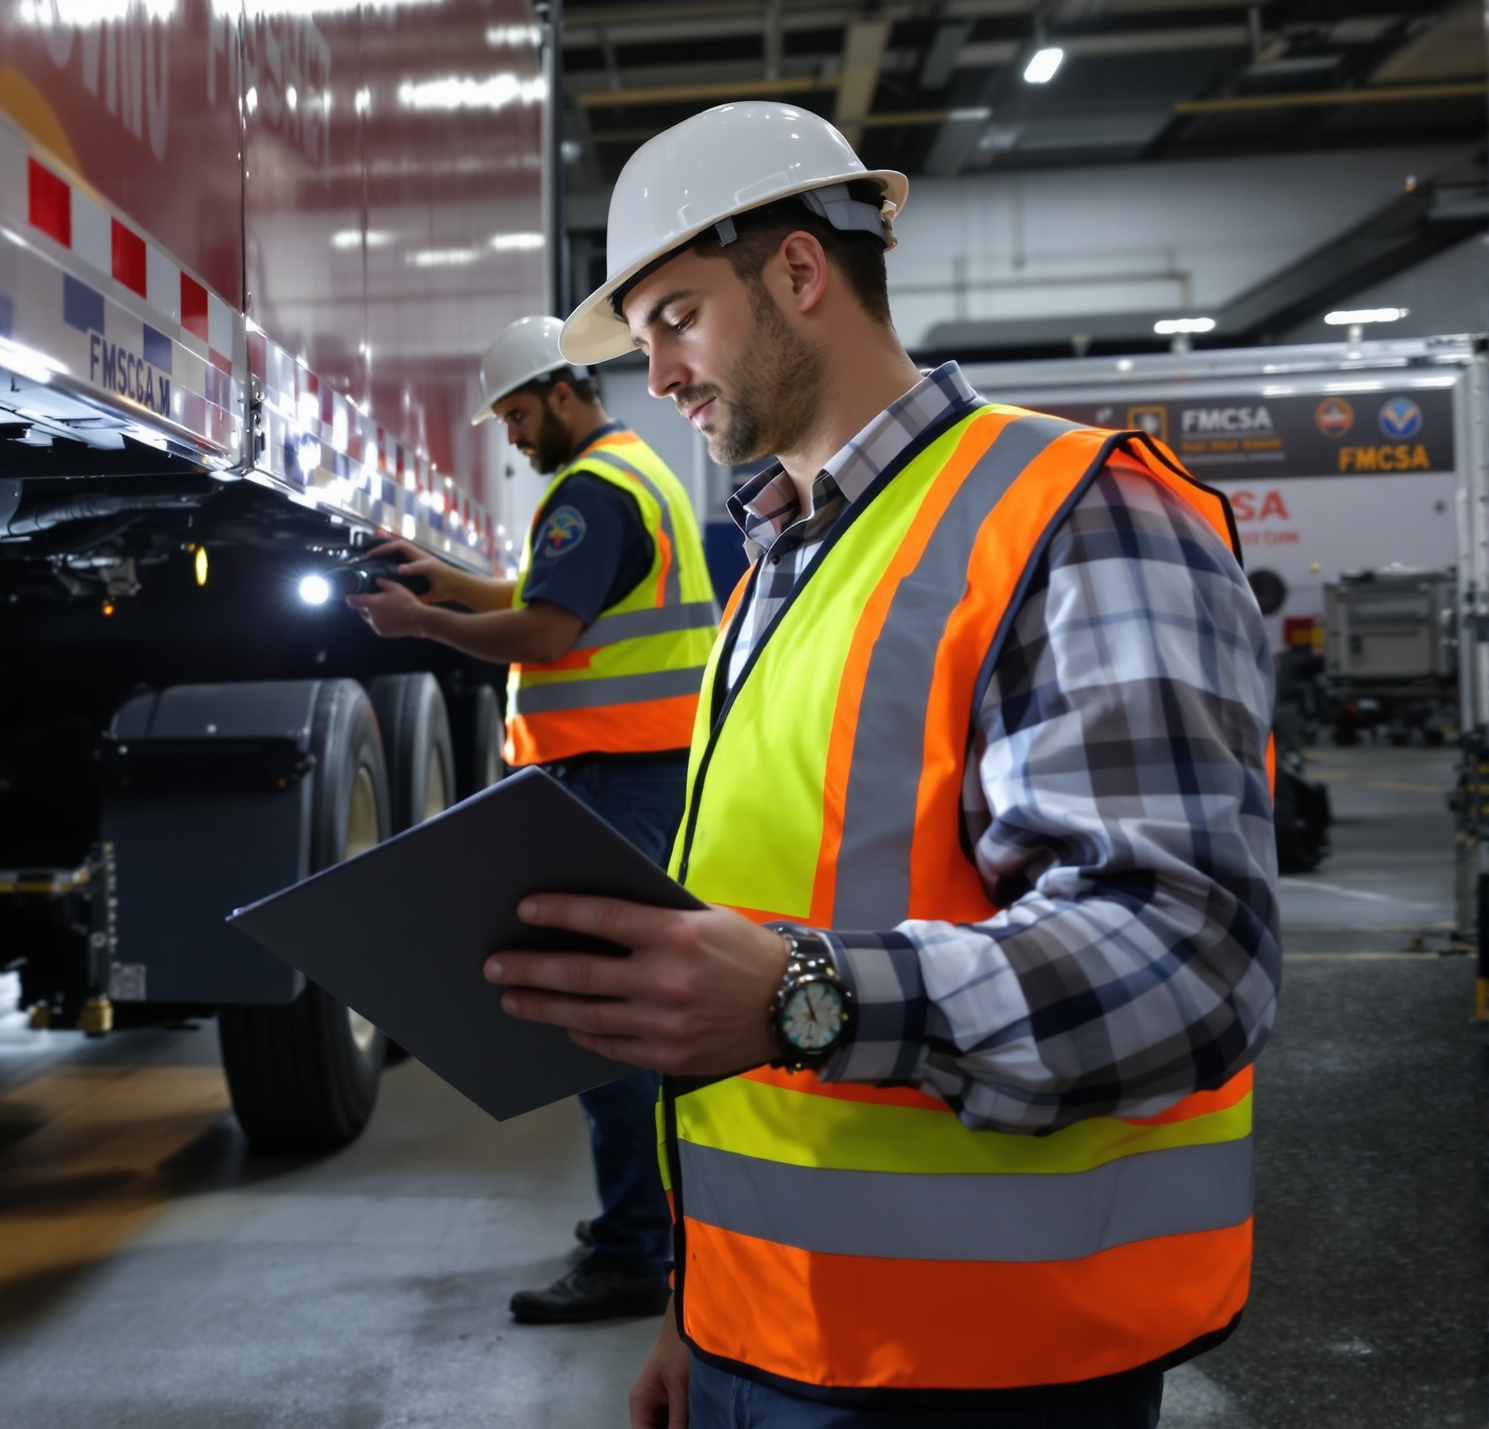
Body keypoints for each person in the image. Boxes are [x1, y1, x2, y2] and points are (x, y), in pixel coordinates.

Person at [483, 101, 1279, 1427]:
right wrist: (699, 1305)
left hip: (983, 1366)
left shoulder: (1077, 512)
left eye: (676, 318)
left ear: (799, 270)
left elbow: (1187, 960)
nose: (657, 377)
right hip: (766, 1335)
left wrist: (808, 999)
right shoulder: (780, 568)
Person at [345, 314, 718, 1325]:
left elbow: (548, 633)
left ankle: (637, 1250)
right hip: (638, 768)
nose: (510, 437)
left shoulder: (592, 490)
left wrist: (421, 622)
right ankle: (643, 1226)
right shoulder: (632, 469)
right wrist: (450, 581)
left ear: (562, 393)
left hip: (615, 774)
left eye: (515, 415)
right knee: (614, 1008)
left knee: (604, 1023)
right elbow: (546, 595)